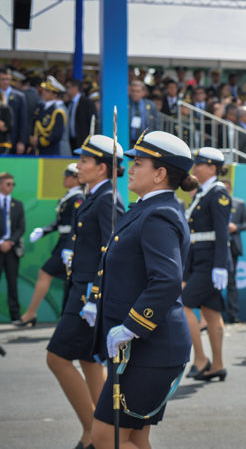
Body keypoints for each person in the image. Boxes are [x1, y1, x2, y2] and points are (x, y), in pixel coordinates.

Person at [88, 131, 198, 449]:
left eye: (138, 163)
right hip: (141, 348)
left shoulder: (159, 214)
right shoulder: (146, 208)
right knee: (134, 436)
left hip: (149, 347)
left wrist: (131, 327)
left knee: (105, 437)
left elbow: (166, 280)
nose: (130, 169)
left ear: (160, 173)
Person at [46, 135, 124, 449]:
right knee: (88, 361)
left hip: (87, 296)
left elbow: (109, 253)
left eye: (84, 161)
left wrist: (93, 296)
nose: (78, 166)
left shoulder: (108, 198)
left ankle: (93, 432)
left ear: (102, 168)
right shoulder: (95, 194)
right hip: (79, 289)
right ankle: (105, 433)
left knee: (57, 358)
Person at [182, 147, 231, 381]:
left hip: (210, 263)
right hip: (201, 261)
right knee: (212, 313)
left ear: (212, 167)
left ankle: (200, 358)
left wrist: (220, 265)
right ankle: (217, 365)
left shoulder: (217, 193)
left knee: (183, 305)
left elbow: (222, 233)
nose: (195, 168)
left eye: (199, 164)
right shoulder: (204, 193)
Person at [13, 164, 84, 327]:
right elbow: (60, 223)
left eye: (67, 175)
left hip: (68, 246)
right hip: (63, 245)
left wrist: (70, 247)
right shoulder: (69, 196)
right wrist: (43, 231)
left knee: (46, 273)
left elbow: (76, 224)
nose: (64, 178)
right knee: (67, 282)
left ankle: (32, 313)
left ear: (75, 178)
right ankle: (63, 318)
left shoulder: (78, 198)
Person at [222, 179, 246, 324]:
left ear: (231, 189)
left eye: (227, 188)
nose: (225, 191)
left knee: (231, 281)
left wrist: (236, 227)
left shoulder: (239, 204)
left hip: (233, 246)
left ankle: (233, 314)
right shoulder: (215, 203)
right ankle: (214, 316)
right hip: (219, 246)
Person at [0, 171, 25, 322]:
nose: (11, 187)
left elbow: (21, 227)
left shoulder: (17, 204)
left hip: (12, 249)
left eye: (13, 184)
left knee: (12, 283)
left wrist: (9, 242)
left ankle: (15, 315)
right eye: (8, 184)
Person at [30, 76, 70, 156]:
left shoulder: (57, 111)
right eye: (44, 90)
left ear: (55, 95)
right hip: (39, 150)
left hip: (52, 152)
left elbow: (56, 134)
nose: (43, 92)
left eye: (47, 91)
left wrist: (38, 141)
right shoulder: (41, 107)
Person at [0, 66, 28, 155]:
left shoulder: (19, 97)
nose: (5, 82)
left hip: (13, 141)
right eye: (2, 79)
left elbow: (23, 121)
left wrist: (21, 141)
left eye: (8, 79)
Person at [65, 79, 97, 150]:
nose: (67, 90)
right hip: (70, 141)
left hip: (83, 141)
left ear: (75, 88)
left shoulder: (86, 102)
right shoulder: (68, 104)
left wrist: (92, 140)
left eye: (68, 87)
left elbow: (93, 122)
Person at [129, 80, 160, 147]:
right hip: (129, 142)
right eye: (133, 91)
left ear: (143, 92)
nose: (135, 94)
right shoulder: (126, 104)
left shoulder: (151, 105)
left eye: (138, 91)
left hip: (146, 143)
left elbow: (156, 124)